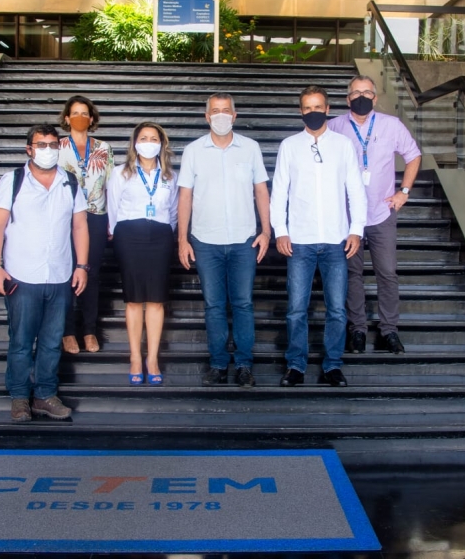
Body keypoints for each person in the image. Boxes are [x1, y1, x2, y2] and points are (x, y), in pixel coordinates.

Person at [0, 124, 89, 422]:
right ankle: (20, 397)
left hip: (59, 275)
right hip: (21, 276)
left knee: (51, 339)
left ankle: (45, 394)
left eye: (53, 144)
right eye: (41, 145)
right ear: (29, 149)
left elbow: (79, 226)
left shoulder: (70, 182)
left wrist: (82, 266)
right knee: (21, 340)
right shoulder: (13, 180)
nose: (47, 150)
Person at [271, 85, 367, 388]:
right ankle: (296, 366)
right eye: (307, 108)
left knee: (337, 308)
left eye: (318, 107)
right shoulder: (289, 145)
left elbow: (355, 190)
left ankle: (333, 365)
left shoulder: (343, 145)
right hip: (299, 240)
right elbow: (279, 192)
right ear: (301, 111)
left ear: (328, 109)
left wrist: (356, 229)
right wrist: (281, 231)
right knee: (296, 308)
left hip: (336, 239)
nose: (313, 112)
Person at [177, 93, 271, 388]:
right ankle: (218, 364)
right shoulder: (193, 151)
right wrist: (182, 238)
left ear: (235, 115)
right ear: (206, 117)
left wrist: (266, 231)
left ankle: (244, 364)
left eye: (225, 111)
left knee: (243, 304)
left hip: (244, 240)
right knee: (214, 305)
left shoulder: (250, 148)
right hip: (205, 240)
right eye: (214, 111)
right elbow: (185, 196)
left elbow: (261, 191)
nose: (220, 115)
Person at [327, 76, 422, 355]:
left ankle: (389, 331)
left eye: (367, 92)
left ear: (375, 98)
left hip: (382, 212)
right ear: (347, 99)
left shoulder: (391, 125)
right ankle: (357, 329)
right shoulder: (334, 127)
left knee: (387, 273)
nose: (361, 96)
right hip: (347, 217)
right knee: (352, 274)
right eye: (355, 92)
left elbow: (413, 155)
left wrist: (404, 191)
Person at [107, 122, 178, 386]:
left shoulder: (171, 176)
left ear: (162, 143)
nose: (149, 142)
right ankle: (136, 357)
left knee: (157, 300)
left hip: (160, 236)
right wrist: (120, 233)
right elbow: (113, 209)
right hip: (128, 235)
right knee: (134, 299)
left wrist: (164, 232)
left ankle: (153, 359)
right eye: (144, 137)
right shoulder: (120, 173)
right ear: (135, 142)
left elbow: (173, 212)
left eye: (154, 138)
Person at [58, 95, 115, 355]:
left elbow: (112, 186)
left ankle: (89, 330)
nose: (80, 117)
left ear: (91, 118)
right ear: (67, 118)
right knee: (66, 272)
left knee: (90, 273)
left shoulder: (103, 147)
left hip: (95, 215)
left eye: (85, 113)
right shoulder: (56, 147)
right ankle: (68, 331)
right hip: (64, 218)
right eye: (75, 113)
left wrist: (112, 221)